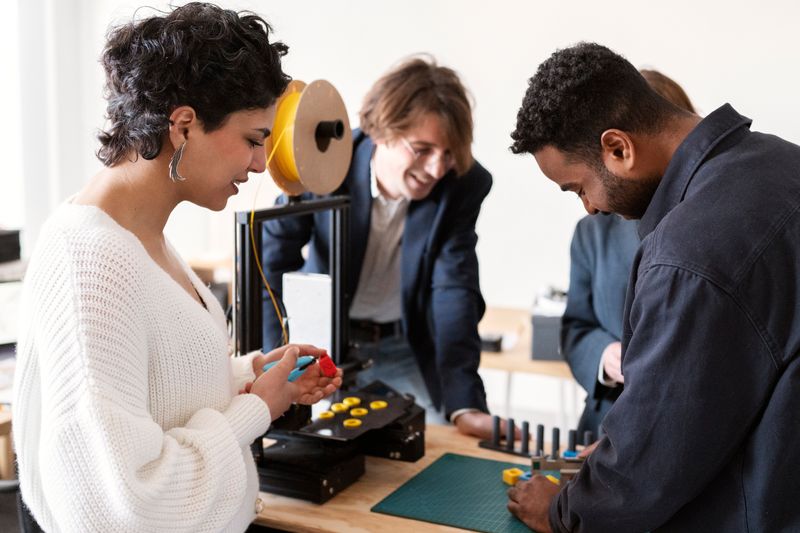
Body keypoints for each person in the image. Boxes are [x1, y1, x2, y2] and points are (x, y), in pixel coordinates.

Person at [13, 4, 341, 532]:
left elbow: (150, 391)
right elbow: (128, 502)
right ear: (184, 125)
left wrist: (247, 375)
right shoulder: (92, 267)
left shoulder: (140, 236)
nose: (261, 164)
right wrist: (255, 408)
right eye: (254, 140)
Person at [507, 42, 800, 531]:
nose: (589, 208)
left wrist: (561, 511)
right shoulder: (784, 161)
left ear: (618, 148)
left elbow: (645, 475)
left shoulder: (685, 256)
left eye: (578, 188)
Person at [261, 57, 501, 439]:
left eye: (449, 153)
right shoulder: (322, 162)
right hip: (318, 344)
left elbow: (454, 290)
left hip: (401, 344)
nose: (438, 168)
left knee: (433, 443)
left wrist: (464, 403)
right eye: (422, 149)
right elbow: (270, 266)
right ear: (382, 132)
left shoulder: (462, 184)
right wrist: (275, 363)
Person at [561, 69, 696, 442]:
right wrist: (604, 356)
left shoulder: (704, 224)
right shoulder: (592, 231)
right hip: (606, 419)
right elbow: (575, 326)